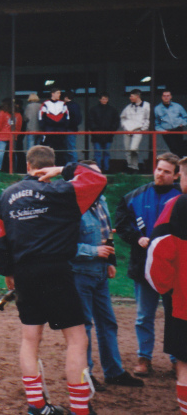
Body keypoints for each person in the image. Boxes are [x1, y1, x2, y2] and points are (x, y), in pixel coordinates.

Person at [0, 145, 107, 415]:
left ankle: (37, 406)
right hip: (56, 270)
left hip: (23, 273)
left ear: (27, 165)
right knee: (77, 340)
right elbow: (98, 179)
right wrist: (65, 171)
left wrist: (7, 271)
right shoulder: (61, 190)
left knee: (30, 339)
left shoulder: (6, 196)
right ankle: (80, 409)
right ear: (50, 165)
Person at [71, 161, 144, 390]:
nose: (99, 182)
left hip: (100, 272)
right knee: (84, 326)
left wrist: (109, 260)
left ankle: (113, 371)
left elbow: (106, 231)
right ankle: (86, 374)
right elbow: (62, 245)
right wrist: (94, 251)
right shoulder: (71, 206)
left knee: (107, 322)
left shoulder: (100, 201)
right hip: (80, 273)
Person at [114, 151, 181, 376]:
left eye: (166, 171)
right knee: (144, 315)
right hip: (144, 266)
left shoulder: (181, 198)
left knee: (176, 314)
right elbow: (122, 224)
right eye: (158, 169)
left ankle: (177, 358)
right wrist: (136, 238)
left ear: (177, 175)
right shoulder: (135, 196)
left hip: (175, 269)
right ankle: (144, 358)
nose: (160, 174)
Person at [146, 155, 187, 413]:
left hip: (183, 300)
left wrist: (166, 289)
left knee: (184, 363)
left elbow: (158, 253)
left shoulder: (176, 205)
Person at [87, 93, 120, 174]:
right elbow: (90, 121)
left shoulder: (113, 110)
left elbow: (116, 122)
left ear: (108, 99)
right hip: (97, 135)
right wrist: (95, 130)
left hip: (108, 135)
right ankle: (97, 169)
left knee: (107, 152)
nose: (104, 100)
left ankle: (106, 168)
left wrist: (111, 130)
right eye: (103, 99)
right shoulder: (93, 110)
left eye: (106, 99)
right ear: (99, 99)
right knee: (97, 152)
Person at [120, 89, 150, 173]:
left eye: (131, 96)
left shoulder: (146, 105)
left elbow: (148, 118)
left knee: (133, 149)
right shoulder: (129, 107)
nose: (130, 98)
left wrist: (143, 128)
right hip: (127, 131)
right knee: (127, 150)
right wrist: (124, 127)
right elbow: (122, 117)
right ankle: (131, 167)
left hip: (138, 130)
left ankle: (135, 166)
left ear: (137, 96)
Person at [40, 88, 69, 166]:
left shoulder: (63, 104)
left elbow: (67, 116)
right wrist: (44, 129)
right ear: (52, 94)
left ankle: (60, 166)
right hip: (49, 130)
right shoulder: (45, 103)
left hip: (60, 130)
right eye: (58, 93)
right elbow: (41, 117)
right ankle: (49, 165)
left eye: (60, 93)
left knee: (61, 149)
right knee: (49, 148)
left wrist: (65, 128)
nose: (59, 95)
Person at [154, 90, 186, 157]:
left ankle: (180, 164)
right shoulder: (157, 109)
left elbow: (185, 117)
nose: (166, 97)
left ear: (171, 97)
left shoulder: (178, 106)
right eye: (164, 96)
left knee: (180, 147)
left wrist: (183, 123)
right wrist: (162, 130)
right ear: (161, 97)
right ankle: (177, 165)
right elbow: (156, 123)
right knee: (173, 148)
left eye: (168, 96)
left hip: (178, 129)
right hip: (167, 131)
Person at [0, 98, 23, 173]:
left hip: (3, 136)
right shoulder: (18, 114)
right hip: (13, 136)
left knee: (0, 154)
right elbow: (19, 126)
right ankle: (13, 170)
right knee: (13, 154)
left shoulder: (2, 113)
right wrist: (16, 134)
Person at [63, 93, 82, 164]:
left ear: (66, 97)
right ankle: (72, 165)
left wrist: (67, 125)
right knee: (71, 147)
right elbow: (78, 119)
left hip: (68, 129)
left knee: (69, 148)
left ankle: (72, 165)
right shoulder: (76, 106)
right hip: (73, 129)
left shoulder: (67, 106)